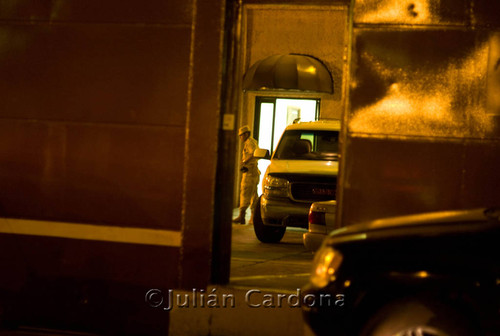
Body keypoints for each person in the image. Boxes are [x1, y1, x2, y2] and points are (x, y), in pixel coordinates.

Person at [233, 125, 260, 225]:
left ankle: (241, 215)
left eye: (241, 135)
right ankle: (252, 217)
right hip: (253, 172)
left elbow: (253, 153)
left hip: (249, 173)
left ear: (246, 134)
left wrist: (244, 161)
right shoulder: (252, 142)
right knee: (253, 195)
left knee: (245, 192)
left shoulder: (249, 142)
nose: (240, 137)